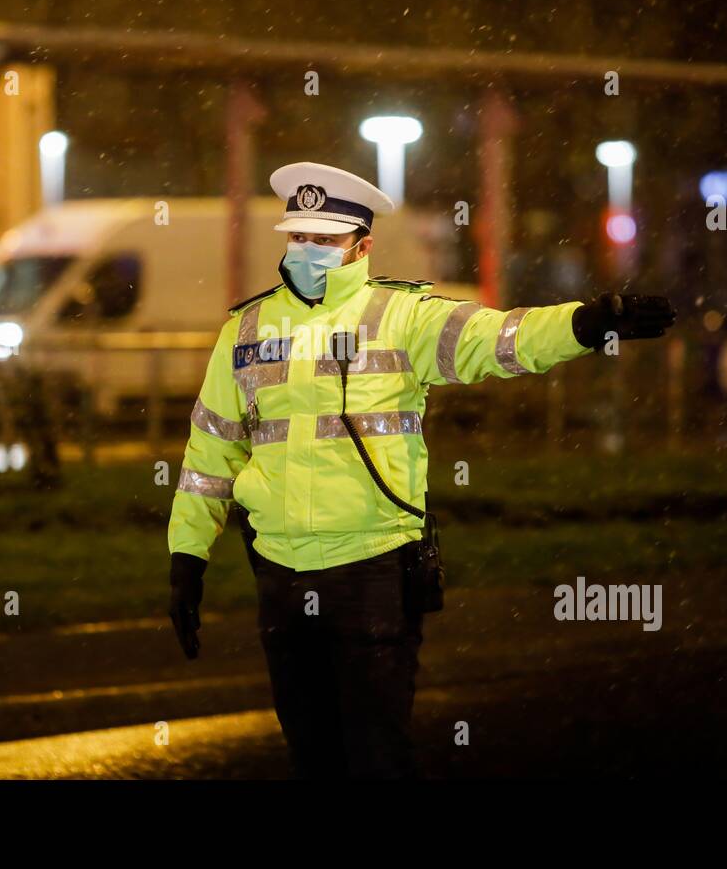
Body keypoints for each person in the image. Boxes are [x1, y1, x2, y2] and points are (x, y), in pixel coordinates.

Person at [167, 162, 676, 778]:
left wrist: (587, 323)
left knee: (378, 757)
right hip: (279, 572)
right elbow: (209, 452)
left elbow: (500, 338)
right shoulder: (244, 330)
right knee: (313, 757)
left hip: (373, 568)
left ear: (362, 244)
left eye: (325, 240)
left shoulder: (403, 316)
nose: (307, 251)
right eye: (299, 237)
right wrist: (187, 558)